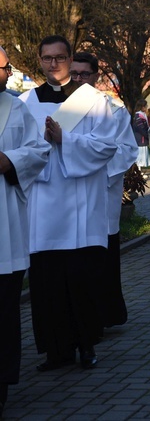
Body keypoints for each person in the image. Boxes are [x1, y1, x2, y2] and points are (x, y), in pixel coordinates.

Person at [20, 35, 118, 370]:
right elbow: (18, 150)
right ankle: (55, 350)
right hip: (42, 207)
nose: (53, 64)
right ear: (39, 60)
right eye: (47, 58)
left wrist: (66, 139)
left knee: (81, 280)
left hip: (80, 204)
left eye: (60, 57)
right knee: (47, 283)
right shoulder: (25, 102)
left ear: (69, 58)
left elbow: (106, 146)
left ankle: (86, 344)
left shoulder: (94, 101)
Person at [71, 52, 138, 329]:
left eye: (84, 74)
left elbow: (127, 149)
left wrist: (95, 167)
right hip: (69, 195)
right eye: (73, 74)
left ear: (96, 76)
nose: (78, 80)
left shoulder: (113, 108)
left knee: (101, 259)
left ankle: (104, 316)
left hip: (100, 190)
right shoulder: (62, 107)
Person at [0, 45, 50, 414]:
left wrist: (10, 161)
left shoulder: (16, 108)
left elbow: (37, 151)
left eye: (5, 67)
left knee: (3, 310)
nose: (4, 73)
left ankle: (0, 386)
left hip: (5, 228)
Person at [133, 99, 150, 169]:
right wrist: (148, 136)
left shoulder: (140, 115)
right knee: (139, 158)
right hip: (140, 140)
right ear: (142, 107)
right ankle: (138, 172)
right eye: (146, 106)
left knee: (140, 157)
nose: (147, 108)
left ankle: (139, 172)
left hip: (141, 139)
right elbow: (141, 129)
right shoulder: (139, 116)